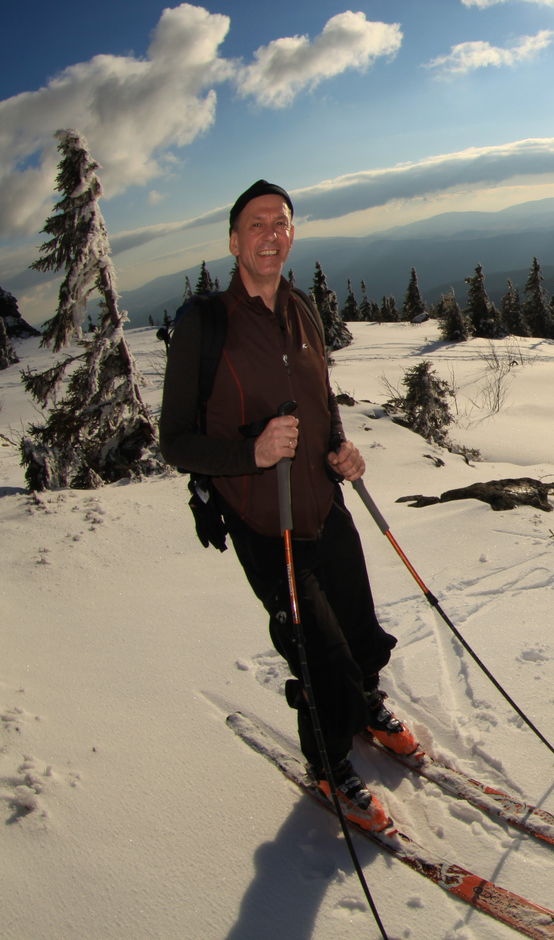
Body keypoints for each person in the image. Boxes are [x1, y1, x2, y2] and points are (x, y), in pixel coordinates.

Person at [160, 179, 415, 829]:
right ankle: (329, 765)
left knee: (358, 628)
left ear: (292, 235)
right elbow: (176, 441)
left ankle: (365, 709)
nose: (270, 232)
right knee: (318, 652)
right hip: (261, 519)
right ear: (233, 240)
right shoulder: (204, 325)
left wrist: (341, 448)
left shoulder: (302, 309)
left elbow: (320, 399)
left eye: (281, 222)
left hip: (323, 503)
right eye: (255, 223)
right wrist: (252, 452)